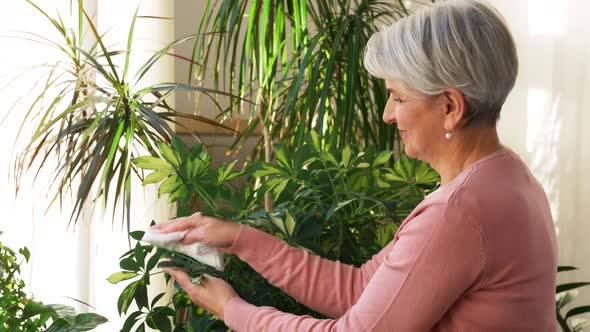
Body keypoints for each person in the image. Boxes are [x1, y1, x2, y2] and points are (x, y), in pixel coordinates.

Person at [158, 0, 558, 330]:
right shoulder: (508, 178)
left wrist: (233, 310)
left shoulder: (458, 213)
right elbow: (362, 289)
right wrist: (240, 239)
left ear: (451, 107)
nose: (387, 115)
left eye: (398, 98)